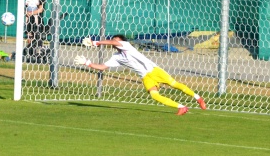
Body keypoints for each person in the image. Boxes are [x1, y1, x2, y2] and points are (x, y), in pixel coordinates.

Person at [74, 34, 207, 115]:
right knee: (155, 96)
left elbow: (113, 42)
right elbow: (102, 67)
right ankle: (182, 107)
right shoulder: (116, 57)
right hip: (145, 77)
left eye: (116, 40)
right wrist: (87, 63)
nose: (114, 42)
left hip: (154, 70)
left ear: (121, 41)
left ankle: (198, 98)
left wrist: (95, 42)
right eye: (113, 40)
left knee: (174, 84)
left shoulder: (126, 45)